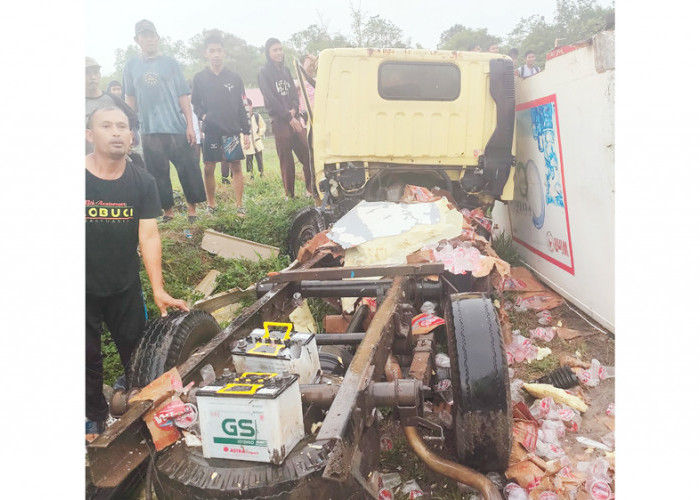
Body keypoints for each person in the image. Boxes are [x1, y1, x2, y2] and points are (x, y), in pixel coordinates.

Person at [85, 106, 189, 439]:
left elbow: (148, 235)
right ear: (90, 135)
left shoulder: (142, 181)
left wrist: (157, 288)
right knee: (84, 356)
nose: (116, 132)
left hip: (124, 286)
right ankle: (93, 418)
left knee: (139, 353)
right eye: (106, 126)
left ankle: (141, 418)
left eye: (122, 127)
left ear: (132, 137)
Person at [123, 19, 206, 223]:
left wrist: (190, 125)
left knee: (188, 168)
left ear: (158, 37)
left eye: (152, 34)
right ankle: (168, 212)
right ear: (137, 39)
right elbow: (130, 100)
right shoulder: (131, 66)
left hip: (176, 127)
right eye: (144, 35)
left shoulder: (170, 63)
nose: (149, 39)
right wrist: (130, 128)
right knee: (158, 173)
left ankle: (192, 210)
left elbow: (183, 95)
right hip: (150, 129)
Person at [191, 33, 251, 214]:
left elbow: (241, 105)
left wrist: (246, 131)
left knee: (236, 166)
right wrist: (204, 117)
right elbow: (195, 103)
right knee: (209, 167)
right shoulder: (199, 78)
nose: (216, 54)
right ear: (206, 54)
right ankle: (211, 205)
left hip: (231, 130)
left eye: (219, 50)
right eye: (212, 51)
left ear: (223, 53)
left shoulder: (234, 78)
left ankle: (239, 206)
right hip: (211, 131)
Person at [258, 37, 313, 199]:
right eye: (275, 50)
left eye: (280, 49)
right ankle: (289, 194)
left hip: (294, 118)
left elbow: (294, 95)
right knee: (286, 159)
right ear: (268, 53)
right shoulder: (264, 73)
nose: (279, 53)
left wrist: (295, 110)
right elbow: (270, 99)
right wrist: (288, 116)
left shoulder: (286, 70)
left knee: (307, 151)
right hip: (280, 121)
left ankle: (310, 189)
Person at [85, 57, 145, 169]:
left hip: (115, 163)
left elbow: (133, 119)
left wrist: (129, 141)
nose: (92, 77)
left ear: (99, 75)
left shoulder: (112, 100)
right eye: (87, 73)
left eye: (95, 73)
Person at [243, 97, 266, 179]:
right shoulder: (243, 119)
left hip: (257, 142)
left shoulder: (256, 116)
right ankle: (250, 175)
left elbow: (263, 126)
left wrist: (259, 132)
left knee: (259, 158)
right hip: (248, 144)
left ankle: (261, 173)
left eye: (248, 106)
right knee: (249, 160)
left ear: (251, 106)